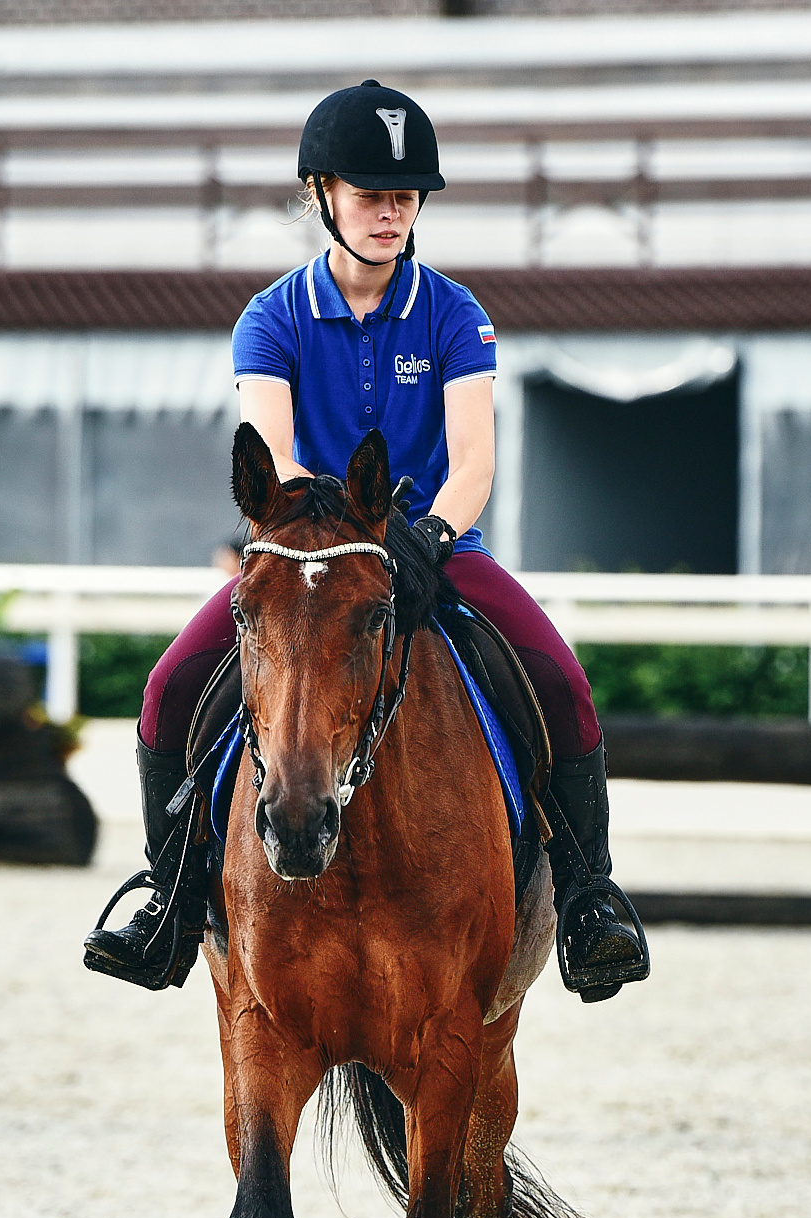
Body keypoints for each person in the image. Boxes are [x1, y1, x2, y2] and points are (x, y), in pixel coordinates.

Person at [83, 79, 650, 1001]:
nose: (389, 212)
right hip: (313, 555)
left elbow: (474, 462)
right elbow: (269, 458)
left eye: (404, 195)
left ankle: (590, 899)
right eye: (368, 192)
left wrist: (423, 534)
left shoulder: (456, 315)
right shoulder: (271, 319)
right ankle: (171, 901)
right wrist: (343, 538)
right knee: (168, 689)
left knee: (561, 680)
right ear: (321, 195)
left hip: (436, 546)